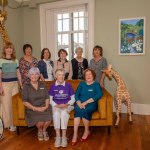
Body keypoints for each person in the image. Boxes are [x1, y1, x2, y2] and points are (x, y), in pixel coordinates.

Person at [71, 68, 103, 146]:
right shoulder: (81, 84)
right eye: (86, 74)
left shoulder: (96, 84)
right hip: (80, 103)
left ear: (93, 76)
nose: (88, 76)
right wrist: (78, 103)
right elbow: (76, 94)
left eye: (90, 74)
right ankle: (75, 134)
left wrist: (86, 102)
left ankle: (86, 131)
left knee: (84, 110)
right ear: (84, 76)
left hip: (91, 104)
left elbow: (99, 94)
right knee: (78, 110)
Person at [22, 67, 52, 141]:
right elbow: (24, 101)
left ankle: (44, 130)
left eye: (36, 74)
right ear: (29, 76)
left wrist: (46, 106)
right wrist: (34, 108)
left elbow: (47, 97)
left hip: (43, 106)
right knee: (40, 123)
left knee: (48, 120)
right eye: (32, 74)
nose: (34, 76)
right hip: (32, 108)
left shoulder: (42, 84)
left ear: (39, 75)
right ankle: (40, 131)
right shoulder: (26, 86)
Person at [49, 69, 75, 148]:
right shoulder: (52, 86)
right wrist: (56, 105)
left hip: (67, 105)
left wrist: (66, 104)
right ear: (56, 76)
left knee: (64, 113)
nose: (61, 76)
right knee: (56, 114)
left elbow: (73, 98)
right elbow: (50, 99)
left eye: (63, 75)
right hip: (56, 105)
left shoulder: (68, 85)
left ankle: (64, 137)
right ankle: (58, 137)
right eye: (59, 75)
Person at [0, 42, 22, 131]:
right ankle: (7, 124)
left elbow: (18, 73)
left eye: (11, 48)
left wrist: (21, 85)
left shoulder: (15, 60)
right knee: (6, 105)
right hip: (5, 85)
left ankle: (14, 122)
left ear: (12, 50)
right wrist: (0, 87)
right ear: (4, 50)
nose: (9, 50)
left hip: (14, 84)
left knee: (14, 105)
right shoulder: (1, 60)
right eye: (7, 48)